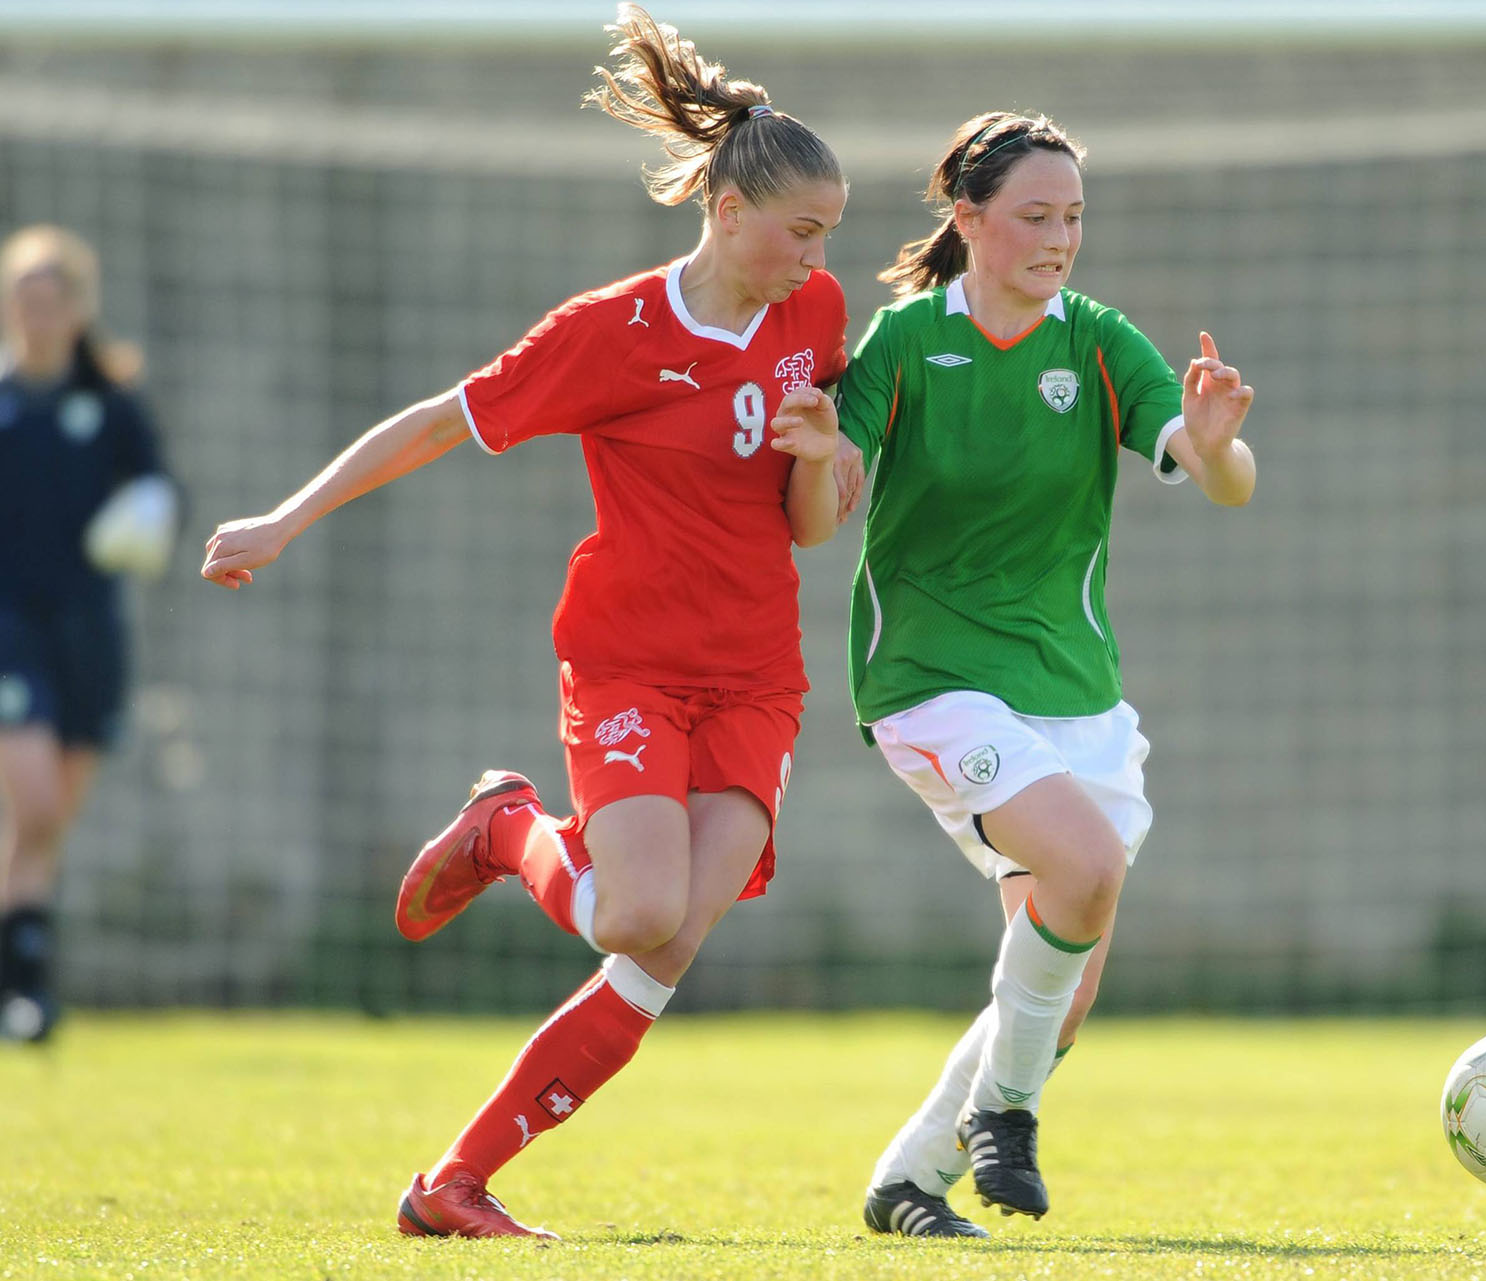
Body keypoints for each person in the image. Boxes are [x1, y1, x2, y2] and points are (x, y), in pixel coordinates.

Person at [200, 4, 848, 1240]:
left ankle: (454, 1183)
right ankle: (506, 829)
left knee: (665, 951)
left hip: (759, 674)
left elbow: (816, 523)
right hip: (629, 665)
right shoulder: (610, 333)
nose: (817, 260)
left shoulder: (812, 324)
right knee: (632, 914)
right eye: (801, 231)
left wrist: (825, 454)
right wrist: (286, 520)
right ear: (726, 213)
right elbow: (442, 420)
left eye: (829, 234)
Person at [833, 112, 1257, 1238]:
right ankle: (1006, 1123)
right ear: (969, 221)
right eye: (1034, 215)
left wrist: (1216, 444)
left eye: (1073, 216)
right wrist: (812, 453)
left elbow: (1225, 480)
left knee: (1058, 999)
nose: (1059, 237)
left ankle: (906, 1182)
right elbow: (826, 491)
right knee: (1085, 863)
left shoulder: (1101, 343)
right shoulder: (905, 343)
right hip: (929, 682)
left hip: (1077, 696)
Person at [0, 225, 178, 1044]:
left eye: (52, 296)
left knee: (47, 822)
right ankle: (25, 984)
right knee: (30, 799)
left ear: (77, 308)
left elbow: (157, 491)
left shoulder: (110, 406)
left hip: (89, 633)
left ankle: (25, 988)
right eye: (24, 295)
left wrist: (148, 516)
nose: (38, 311)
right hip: (10, 627)